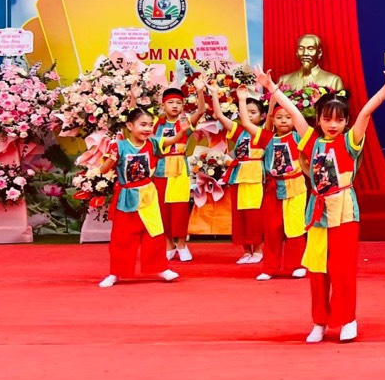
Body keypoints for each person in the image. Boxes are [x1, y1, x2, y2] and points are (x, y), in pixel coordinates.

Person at [270, 68, 385, 342]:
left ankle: (347, 319)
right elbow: (294, 112)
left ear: (346, 121)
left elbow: (366, 113)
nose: (333, 124)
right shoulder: (311, 141)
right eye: (327, 119)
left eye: (339, 119)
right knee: (318, 270)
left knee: (342, 270)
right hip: (317, 212)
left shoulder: (349, 142)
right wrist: (271, 87)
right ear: (318, 120)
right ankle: (319, 322)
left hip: (344, 212)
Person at [97, 106, 180, 288]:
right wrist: (112, 158)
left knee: (154, 233)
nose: (147, 129)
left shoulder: (154, 144)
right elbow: (103, 170)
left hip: (148, 195)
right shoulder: (119, 146)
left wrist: (188, 125)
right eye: (143, 125)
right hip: (127, 197)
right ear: (130, 126)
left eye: (150, 125)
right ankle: (115, 273)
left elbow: (175, 139)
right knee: (122, 238)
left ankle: (161, 268)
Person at [246, 69, 311, 282]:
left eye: (288, 117)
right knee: (272, 229)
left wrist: (274, 91)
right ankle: (270, 267)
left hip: (295, 187)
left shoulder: (299, 137)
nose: (284, 121)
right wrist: (243, 99)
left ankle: (297, 265)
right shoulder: (267, 138)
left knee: (295, 227)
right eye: (279, 118)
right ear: (272, 120)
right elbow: (246, 124)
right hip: (273, 188)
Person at [208, 85, 266, 265]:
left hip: (255, 177)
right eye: (245, 112)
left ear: (262, 116)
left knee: (255, 215)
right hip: (238, 177)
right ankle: (246, 251)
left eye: (253, 112)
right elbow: (219, 115)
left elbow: (266, 116)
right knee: (240, 216)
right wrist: (214, 94)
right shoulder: (238, 131)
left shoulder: (263, 133)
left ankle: (258, 250)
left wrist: (242, 99)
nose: (248, 116)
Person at [153, 79, 207, 263]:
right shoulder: (156, 124)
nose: (175, 106)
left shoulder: (185, 123)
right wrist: (134, 99)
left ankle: (182, 245)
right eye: (170, 102)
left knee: (180, 209)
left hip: (179, 171)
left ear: (183, 106)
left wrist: (200, 92)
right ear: (163, 105)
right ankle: (169, 245)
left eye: (178, 103)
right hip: (160, 170)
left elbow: (200, 111)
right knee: (163, 210)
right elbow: (135, 118)